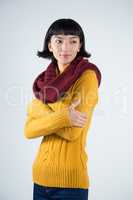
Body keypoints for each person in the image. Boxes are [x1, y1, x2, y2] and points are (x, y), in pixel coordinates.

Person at [24, 18, 101, 200]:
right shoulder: (46, 80)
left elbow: (72, 132)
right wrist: (65, 115)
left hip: (70, 185)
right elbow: (29, 131)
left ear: (79, 45)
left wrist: (38, 107)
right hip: (40, 179)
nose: (65, 48)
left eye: (73, 41)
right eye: (59, 41)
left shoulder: (87, 76)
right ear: (49, 45)